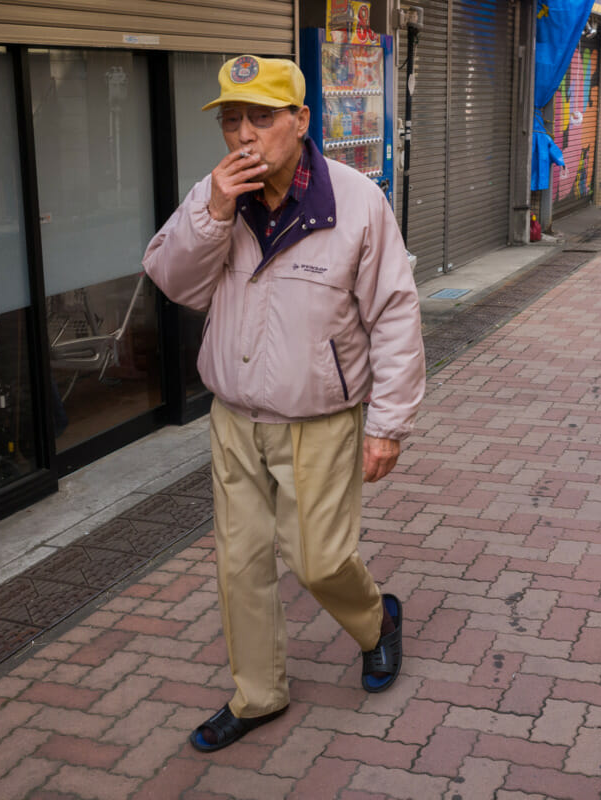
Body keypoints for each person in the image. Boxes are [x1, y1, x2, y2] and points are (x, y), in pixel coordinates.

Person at [142, 55, 426, 752]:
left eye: (261, 118)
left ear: (300, 121)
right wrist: (211, 213)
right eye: (232, 119)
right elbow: (171, 279)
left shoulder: (357, 201)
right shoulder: (216, 199)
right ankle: (259, 693)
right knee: (239, 563)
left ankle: (374, 623)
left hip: (321, 418)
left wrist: (387, 424)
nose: (243, 134)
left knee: (319, 559)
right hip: (235, 417)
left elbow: (395, 314)